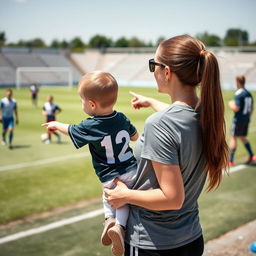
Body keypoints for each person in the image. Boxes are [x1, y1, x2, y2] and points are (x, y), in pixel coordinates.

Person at [104, 35, 229, 256]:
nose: (153, 71)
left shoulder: (160, 124)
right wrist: (151, 102)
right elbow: (180, 116)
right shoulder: (205, 113)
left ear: (167, 71)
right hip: (190, 239)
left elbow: (172, 198)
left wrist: (124, 196)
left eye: (154, 65)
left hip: (153, 243)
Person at [42, 71, 139, 256]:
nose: (82, 104)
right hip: (131, 169)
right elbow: (135, 137)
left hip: (109, 175)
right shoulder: (122, 118)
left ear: (92, 104)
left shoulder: (91, 125)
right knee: (124, 199)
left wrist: (56, 124)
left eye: (82, 100)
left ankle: (114, 223)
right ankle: (116, 225)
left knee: (110, 197)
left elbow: (71, 130)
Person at [228, 75, 255, 166]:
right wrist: (247, 117)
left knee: (233, 137)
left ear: (238, 82)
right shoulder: (248, 93)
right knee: (241, 136)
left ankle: (230, 160)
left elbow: (236, 107)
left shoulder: (239, 93)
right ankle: (251, 155)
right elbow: (251, 108)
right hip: (246, 119)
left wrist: (230, 103)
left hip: (238, 119)